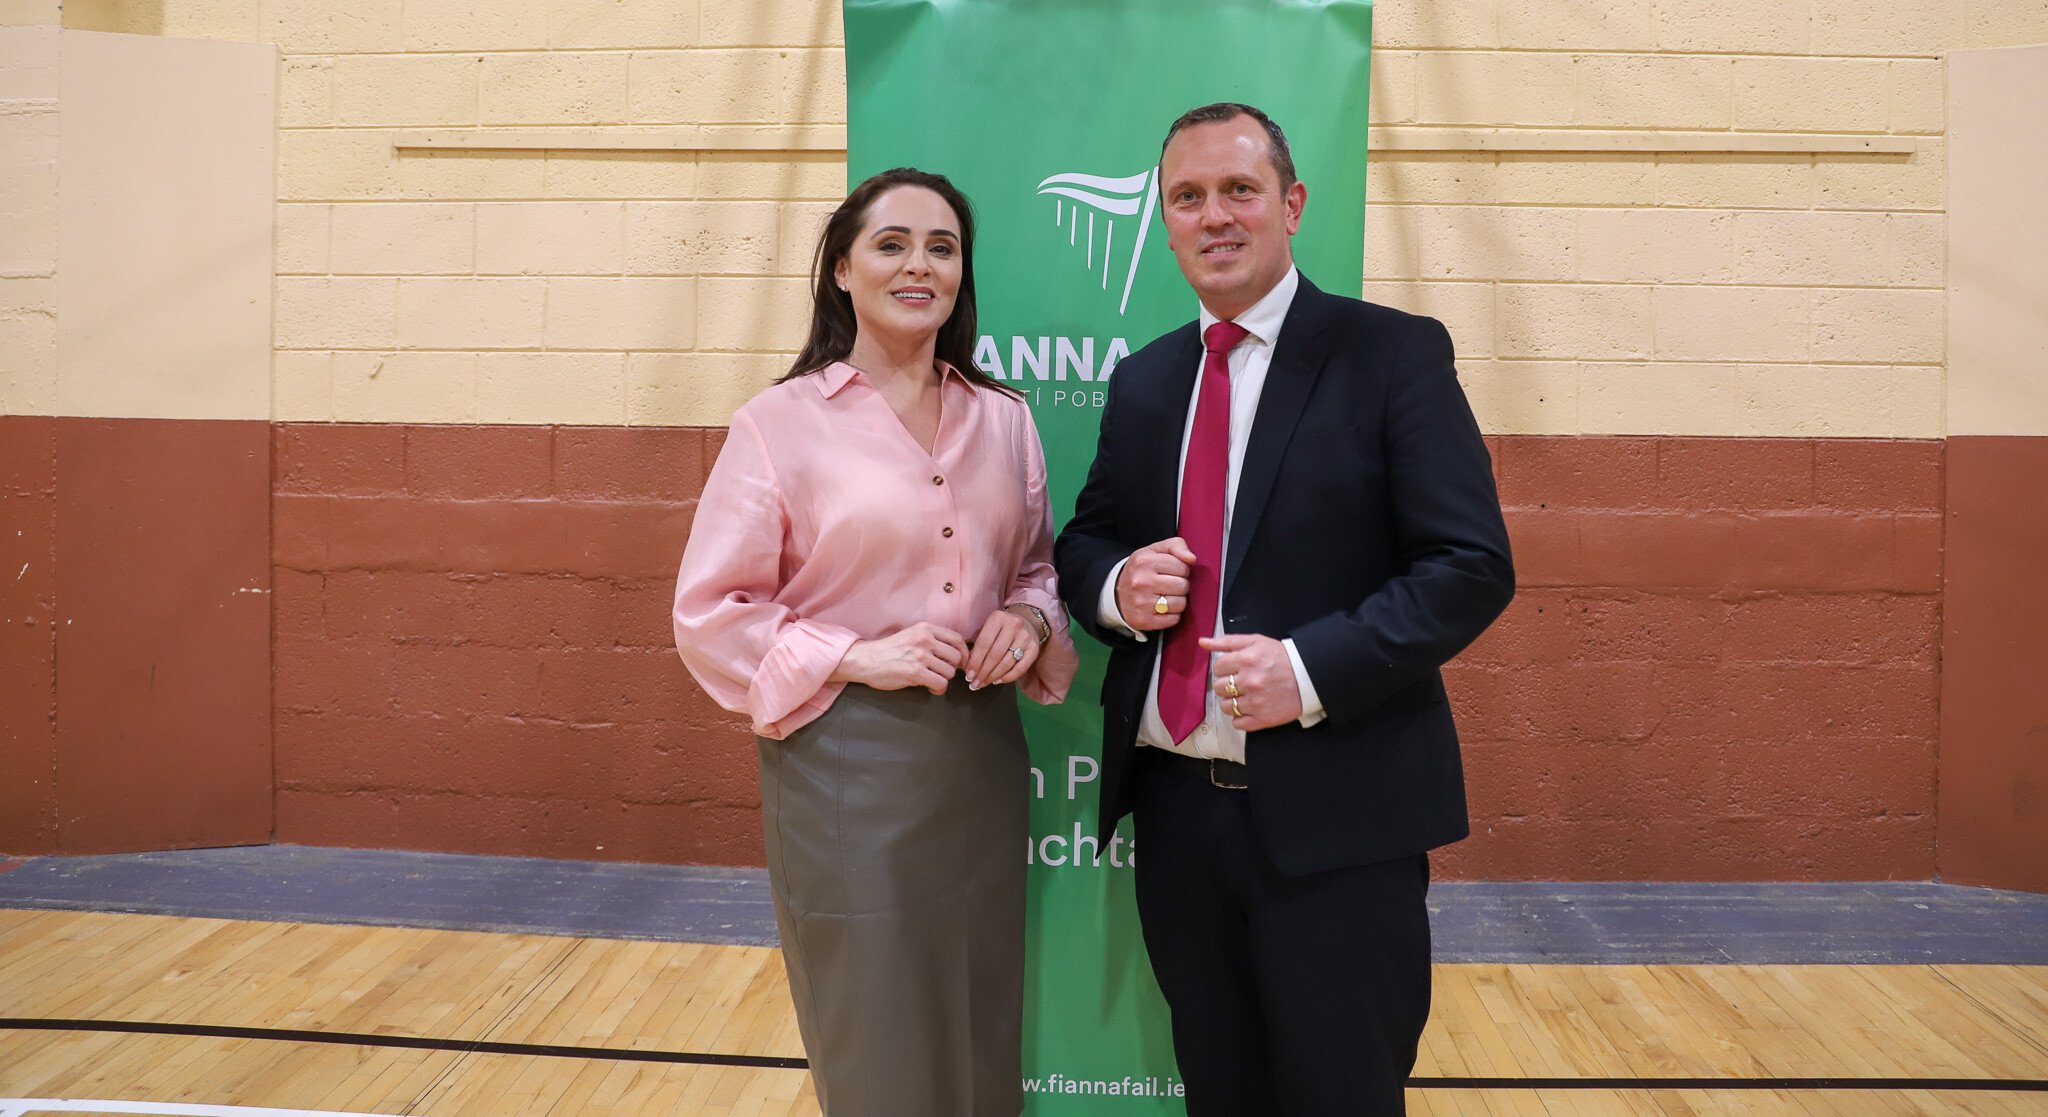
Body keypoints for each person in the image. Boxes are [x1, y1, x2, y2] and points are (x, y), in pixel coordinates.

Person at [1054, 103, 1515, 1115]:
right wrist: (1115, 588)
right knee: (1220, 1094)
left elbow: (1470, 563)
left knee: (1341, 1095)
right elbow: (1085, 542)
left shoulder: (1389, 355)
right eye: (1186, 197)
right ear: (1164, 221)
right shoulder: (1144, 381)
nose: (1212, 215)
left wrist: (1306, 672)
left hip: (1338, 817)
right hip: (1176, 820)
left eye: (1237, 190)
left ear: (1290, 204)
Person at [673, 166, 1078, 1117]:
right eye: (892, 244)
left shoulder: (1005, 420)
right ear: (843, 271)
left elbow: (1039, 567)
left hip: (978, 752)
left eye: (942, 248)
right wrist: (857, 654)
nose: (919, 265)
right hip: (842, 756)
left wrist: (1025, 619)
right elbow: (711, 609)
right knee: (876, 1018)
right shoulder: (779, 424)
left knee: (980, 1005)